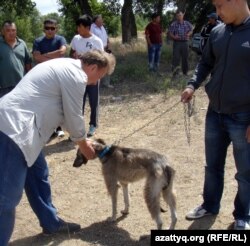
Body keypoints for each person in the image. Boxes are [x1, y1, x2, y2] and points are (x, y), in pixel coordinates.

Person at [0, 49, 116, 246]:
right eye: (100, 76)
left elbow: (62, 113)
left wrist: (81, 139)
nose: (97, 81)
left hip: (25, 130)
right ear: (93, 67)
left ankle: (51, 223)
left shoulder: (65, 66)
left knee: (38, 173)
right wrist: (84, 145)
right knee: (6, 198)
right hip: (15, 130)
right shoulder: (76, 75)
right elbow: (73, 114)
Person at [181, 0, 250, 230]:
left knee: (245, 172)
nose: (218, 13)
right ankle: (210, 205)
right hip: (215, 113)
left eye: (220, 6)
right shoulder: (218, 32)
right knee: (212, 167)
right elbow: (205, 63)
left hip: (243, 117)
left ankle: (243, 216)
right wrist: (192, 85)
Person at [33, 19, 67, 138]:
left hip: (59, 76)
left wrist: (45, 55)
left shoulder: (60, 39)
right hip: (43, 77)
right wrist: (54, 57)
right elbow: (37, 57)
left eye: (52, 28)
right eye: (47, 28)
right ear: (44, 29)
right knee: (45, 103)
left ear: (56, 29)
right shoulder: (38, 41)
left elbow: (62, 51)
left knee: (59, 102)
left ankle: (59, 128)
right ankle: (49, 129)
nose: (50, 30)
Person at [70, 15, 104, 137]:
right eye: (77, 26)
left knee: (94, 102)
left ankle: (93, 125)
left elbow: (102, 60)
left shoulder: (97, 41)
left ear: (87, 27)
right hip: (78, 77)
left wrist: (97, 77)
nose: (78, 29)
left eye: (80, 26)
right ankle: (79, 128)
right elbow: (72, 53)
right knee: (79, 103)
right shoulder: (76, 39)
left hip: (93, 78)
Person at [0, 20, 32, 98]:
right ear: (2, 32)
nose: (11, 33)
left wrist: (30, 80)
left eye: (13, 30)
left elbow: (28, 63)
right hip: (3, 87)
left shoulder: (22, 43)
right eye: (8, 30)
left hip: (21, 85)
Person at [91, 14, 114, 88]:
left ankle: (106, 83)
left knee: (108, 64)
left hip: (105, 49)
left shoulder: (102, 27)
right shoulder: (92, 27)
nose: (102, 20)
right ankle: (95, 83)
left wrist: (109, 46)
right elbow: (92, 40)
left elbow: (106, 38)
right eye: (101, 19)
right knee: (98, 66)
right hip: (97, 50)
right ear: (96, 20)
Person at [168, 10, 193, 76]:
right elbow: (170, 33)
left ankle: (185, 72)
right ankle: (175, 73)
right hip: (177, 43)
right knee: (176, 58)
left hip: (185, 42)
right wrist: (174, 37)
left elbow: (191, 30)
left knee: (185, 58)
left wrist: (188, 34)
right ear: (176, 16)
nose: (179, 17)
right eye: (178, 16)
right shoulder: (174, 24)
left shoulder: (187, 23)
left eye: (180, 15)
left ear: (183, 15)